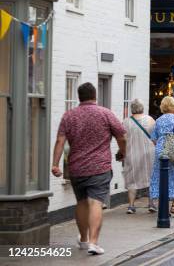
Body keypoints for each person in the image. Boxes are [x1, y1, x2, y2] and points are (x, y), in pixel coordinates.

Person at [51, 82, 126, 255]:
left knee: (82, 203)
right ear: (95, 96)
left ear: (79, 97)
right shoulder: (105, 114)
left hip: (77, 168)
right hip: (100, 167)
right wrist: (123, 153)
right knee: (95, 203)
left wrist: (55, 164)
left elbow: (60, 141)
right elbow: (122, 136)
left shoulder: (69, 116)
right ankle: (93, 242)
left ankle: (83, 239)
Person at [149, 96, 174, 217]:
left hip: (161, 152)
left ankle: (163, 207)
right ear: (173, 105)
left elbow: (154, 139)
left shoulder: (158, 120)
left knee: (160, 177)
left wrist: (161, 145)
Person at [122, 99, 156, 214]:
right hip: (149, 153)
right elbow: (155, 137)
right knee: (151, 177)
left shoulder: (126, 122)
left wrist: (121, 152)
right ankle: (151, 204)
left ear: (132, 109)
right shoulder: (150, 120)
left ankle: (131, 206)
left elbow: (123, 139)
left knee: (132, 179)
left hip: (132, 153)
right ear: (142, 108)